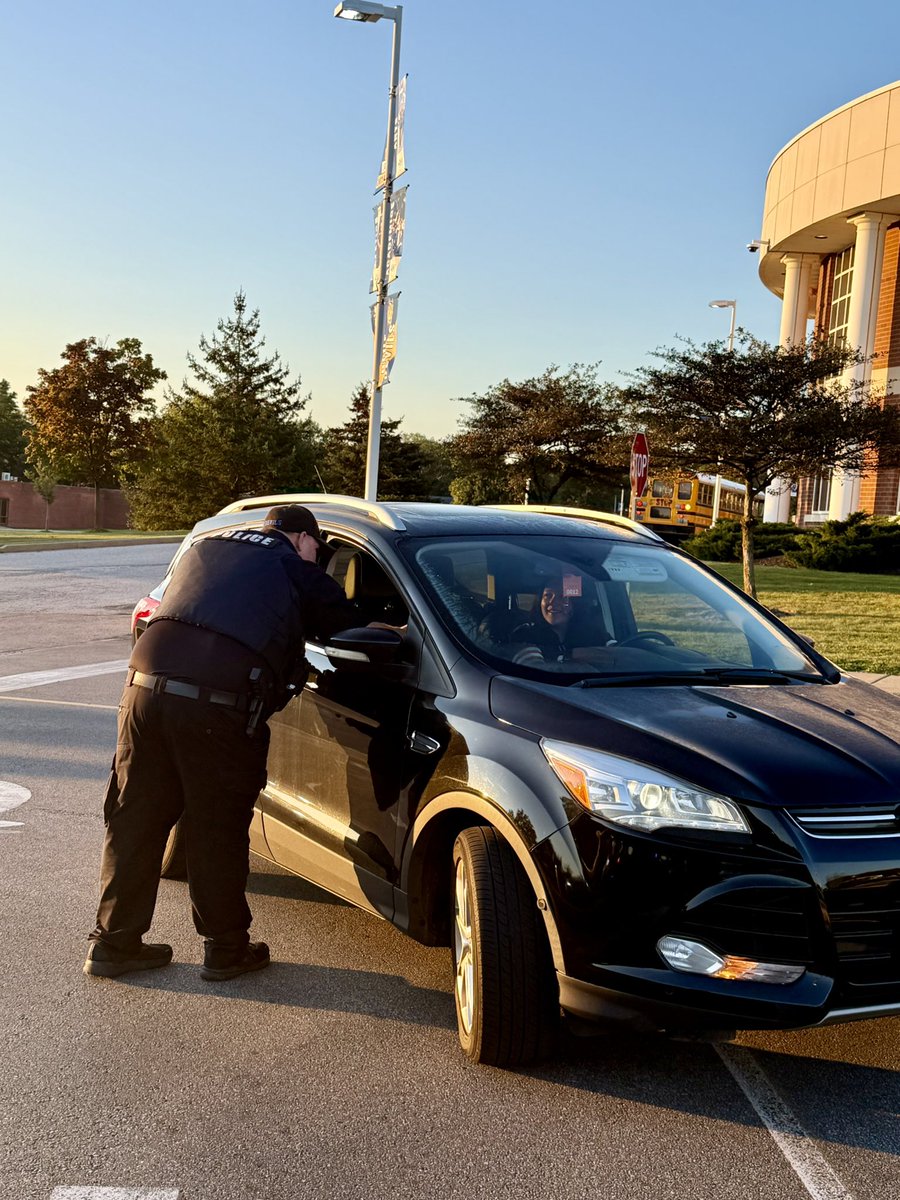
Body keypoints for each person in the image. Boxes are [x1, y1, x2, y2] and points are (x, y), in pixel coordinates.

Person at [84, 504, 366, 983]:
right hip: (215, 709)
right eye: (317, 547)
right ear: (301, 538)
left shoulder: (206, 547)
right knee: (215, 824)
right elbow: (349, 626)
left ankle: (114, 945)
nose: (318, 557)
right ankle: (226, 949)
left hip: (141, 693)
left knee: (135, 819)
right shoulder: (292, 566)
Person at [483, 576, 613, 667]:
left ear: (575, 605)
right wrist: (571, 656)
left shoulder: (594, 635)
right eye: (548, 595)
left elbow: (623, 657)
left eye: (563, 596)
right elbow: (534, 672)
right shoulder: (525, 635)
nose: (553, 602)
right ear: (540, 602)